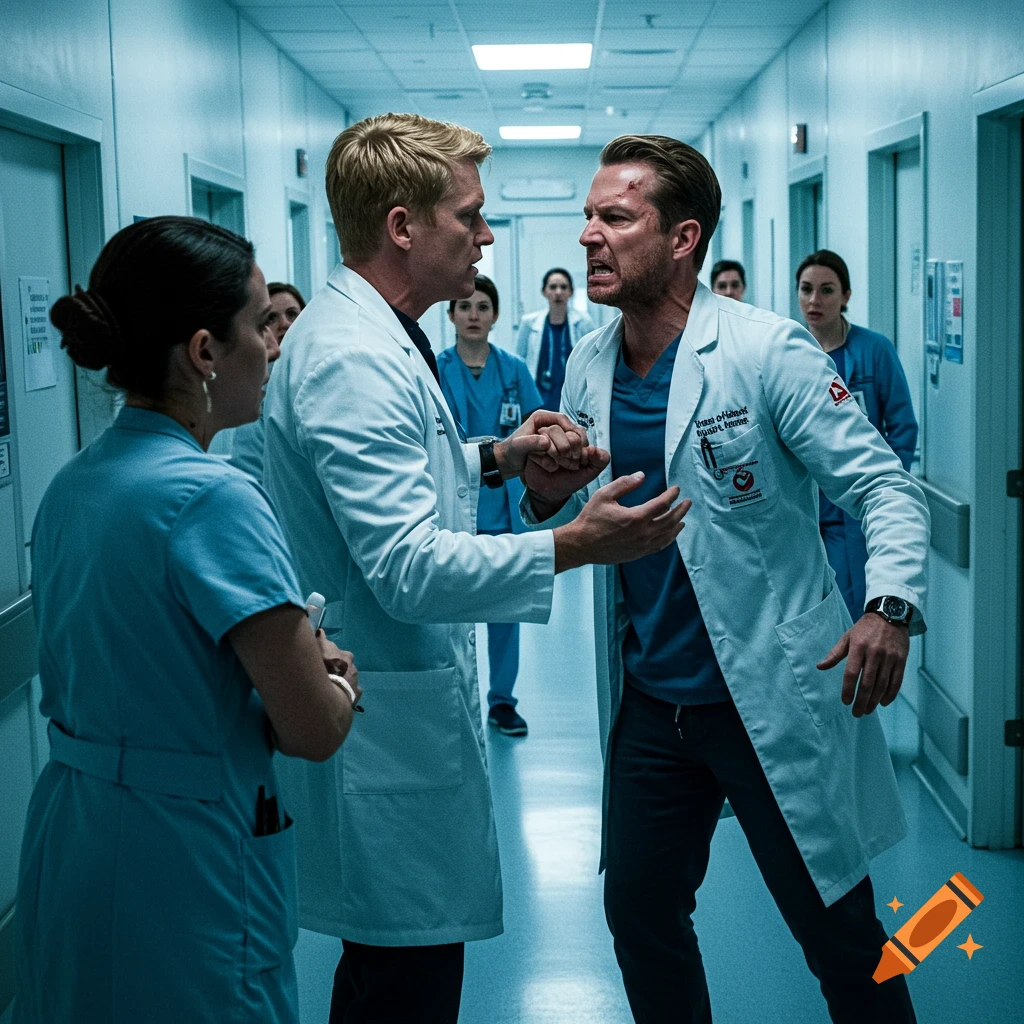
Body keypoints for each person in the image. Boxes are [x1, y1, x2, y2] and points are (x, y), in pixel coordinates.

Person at [261, 113, 689, 1024]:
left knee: (396, 977)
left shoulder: (378, 332)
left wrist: (499, 456)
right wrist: (577, 543)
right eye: (470, 216)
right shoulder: (349, 357)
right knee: (401, 989)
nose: (487, 236)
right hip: (384, 724)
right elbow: (407, 567)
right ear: (402, 226)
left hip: (400, 711)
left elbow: (402, 472)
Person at [522, 135, 930, 1024]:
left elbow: (883, 486)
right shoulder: (589, 362)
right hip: (649, 702)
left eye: (615, 217)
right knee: (640, 916)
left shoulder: (767, 351)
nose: (588, 236)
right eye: (587, 217)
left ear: (683, 239)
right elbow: (588, 514)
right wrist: (546, 494)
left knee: (841, 936)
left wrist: (890, 608)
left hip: (766, 696)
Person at [14, 217, 361, 1024]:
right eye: (261, 326)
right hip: (186, 858)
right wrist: (338, 679)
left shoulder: (74, 484)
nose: (273, 348)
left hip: (74, 833)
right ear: (205, 352)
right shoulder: (214, 497)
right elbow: (312, 729)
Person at [437, 274, 542, 737]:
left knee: (504, 610)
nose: (473, 315)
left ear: (496, 315)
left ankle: (502, 701)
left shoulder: (514, 369)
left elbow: (537, 424)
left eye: (482, 307)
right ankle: (455, 696)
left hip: (501, 504)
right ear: (451, 314)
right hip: (452, 502)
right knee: (451, 611)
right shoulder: (436, 369)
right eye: (464, 306)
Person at [797, 249, 919, 621]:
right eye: (806, 289)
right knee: (808, 608)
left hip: (856, 504)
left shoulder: (874, 350)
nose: (814, 300)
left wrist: (886, 487)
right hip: (806, 503)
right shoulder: (789, 352)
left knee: (858, 609)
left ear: (846, 295)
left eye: (827, 290)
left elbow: (902, 426)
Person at [209, 281, 307, 480]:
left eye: (292, 314)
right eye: (271, 318)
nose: (285, 324)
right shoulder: (253, 397)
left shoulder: (314, 378)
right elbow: (250, 470)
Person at [515, 267, 596, 410]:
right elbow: (519, 360)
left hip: (573, 400)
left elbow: (594, 360)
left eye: (563, 287)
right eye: (553, 287)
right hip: (538, 399)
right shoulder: (529, 323)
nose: (558, 292)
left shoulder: (584, 322)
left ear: (571, 292)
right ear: (544, 291)